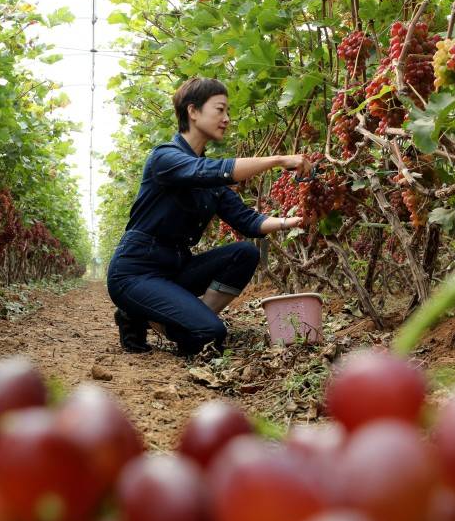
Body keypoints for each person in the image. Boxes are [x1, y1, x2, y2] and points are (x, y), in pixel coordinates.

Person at [106, 77, 313, 356]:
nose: (226, 119)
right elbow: (210, 172)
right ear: (193, 112)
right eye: (220, 110)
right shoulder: (165, 158)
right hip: (135, 272)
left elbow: (249, 222)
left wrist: (294, 221)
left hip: (175, 269)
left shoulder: (210, 180)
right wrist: (277, 160)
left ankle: (184, 318)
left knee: (244, 253)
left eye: (227, 112)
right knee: (211, 334)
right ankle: (141, 312)